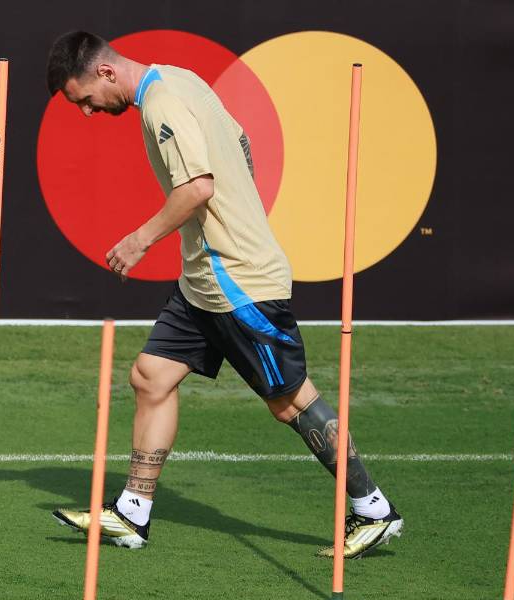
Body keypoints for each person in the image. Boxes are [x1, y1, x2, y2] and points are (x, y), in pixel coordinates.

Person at [45, 31, 402, 558]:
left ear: (104, 73)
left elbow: (197, 187)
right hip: (201, 281)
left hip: (236, 280)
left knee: (289, 401)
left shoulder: (161, 103)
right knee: (151, 376)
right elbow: (241, 143)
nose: (87, 112)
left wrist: (140, 240)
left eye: (84, 100)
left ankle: (373, 509)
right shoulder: (178, 78)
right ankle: (132, 512)